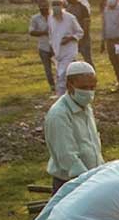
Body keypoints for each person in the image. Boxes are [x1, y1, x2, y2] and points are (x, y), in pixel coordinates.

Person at [44, 61, 104, 194]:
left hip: (91, 179)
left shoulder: (86, 108)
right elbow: (67, 156)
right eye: (83, 87)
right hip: (72, 183)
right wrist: (88, 183)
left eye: (92, 87)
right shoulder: (59, 115)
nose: (88, 92)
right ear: (69, 86)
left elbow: (92, 144)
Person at [47, 0, 84, 96]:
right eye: (54, 4)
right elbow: (51, 34)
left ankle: (61, 96)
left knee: (62, 74)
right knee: (62, 73)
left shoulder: (70, 18)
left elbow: (80, 32)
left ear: (62, 5)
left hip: (69, 51)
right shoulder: (50, 18)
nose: (56, 7)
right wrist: (51, 48)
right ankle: (71, 93)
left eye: (58, 4)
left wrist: (69, 38)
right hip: (57, 52)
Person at [29, 0, 56, 92]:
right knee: (48, 70)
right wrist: (44, 32)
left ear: (48, 7)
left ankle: (62, 84)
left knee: (60, 67)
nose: (43, 9)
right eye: (41, 7)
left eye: (45, 7)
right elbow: (31, 32)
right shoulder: (35, 18)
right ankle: (52, 86)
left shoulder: (54, 16)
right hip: (43, 47)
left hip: (56, 47)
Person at [64, 0, 92, 66]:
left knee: (88, 61)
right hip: (71, 40)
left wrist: (80, 38)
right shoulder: (68, 8)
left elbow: (86, 26)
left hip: (83, 40)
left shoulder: (83, 8)